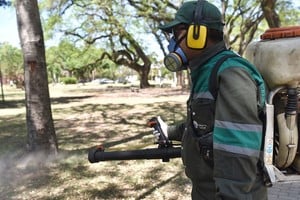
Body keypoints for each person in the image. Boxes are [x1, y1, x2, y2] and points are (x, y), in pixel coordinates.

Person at [153, 0, 268, 199]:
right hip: (205, 191)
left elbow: (237, 152)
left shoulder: (231, 73)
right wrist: (169, 131)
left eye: (176, 34)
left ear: (197, 34)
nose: (171, 42)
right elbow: (205, 125)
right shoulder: (205, 71)